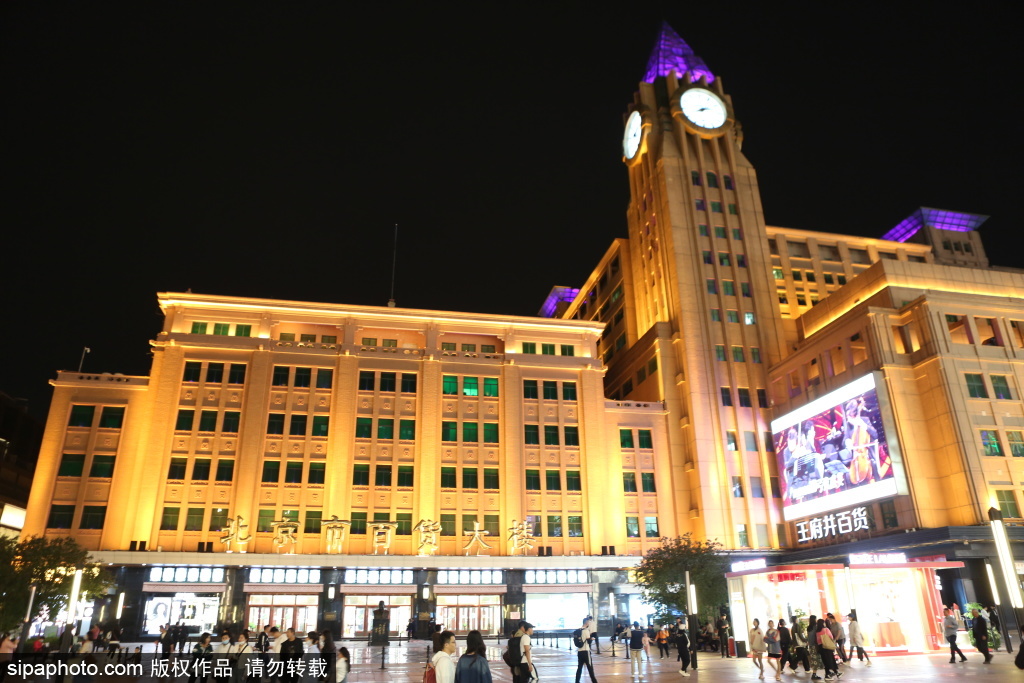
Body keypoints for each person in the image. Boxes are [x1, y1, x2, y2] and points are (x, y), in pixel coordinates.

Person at [574, 616, 598, 683]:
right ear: (586, 623)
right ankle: (594, 681)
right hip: (586, 651)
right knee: (590, 668)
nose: (589, 623)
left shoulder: (578, 630)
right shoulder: (586, 631)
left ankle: (577, 681)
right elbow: (588, 641)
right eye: (589, 622)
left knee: (579, 668)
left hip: (579, 651)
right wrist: (591, 639)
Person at [806, 616, 823, 680]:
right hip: (815, 646)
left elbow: (808, 637)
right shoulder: (815, 627)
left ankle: (814, 674)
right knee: (816, 660)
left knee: (813, 660)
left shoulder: (808, 627)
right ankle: (814, 674)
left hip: (810, 646)